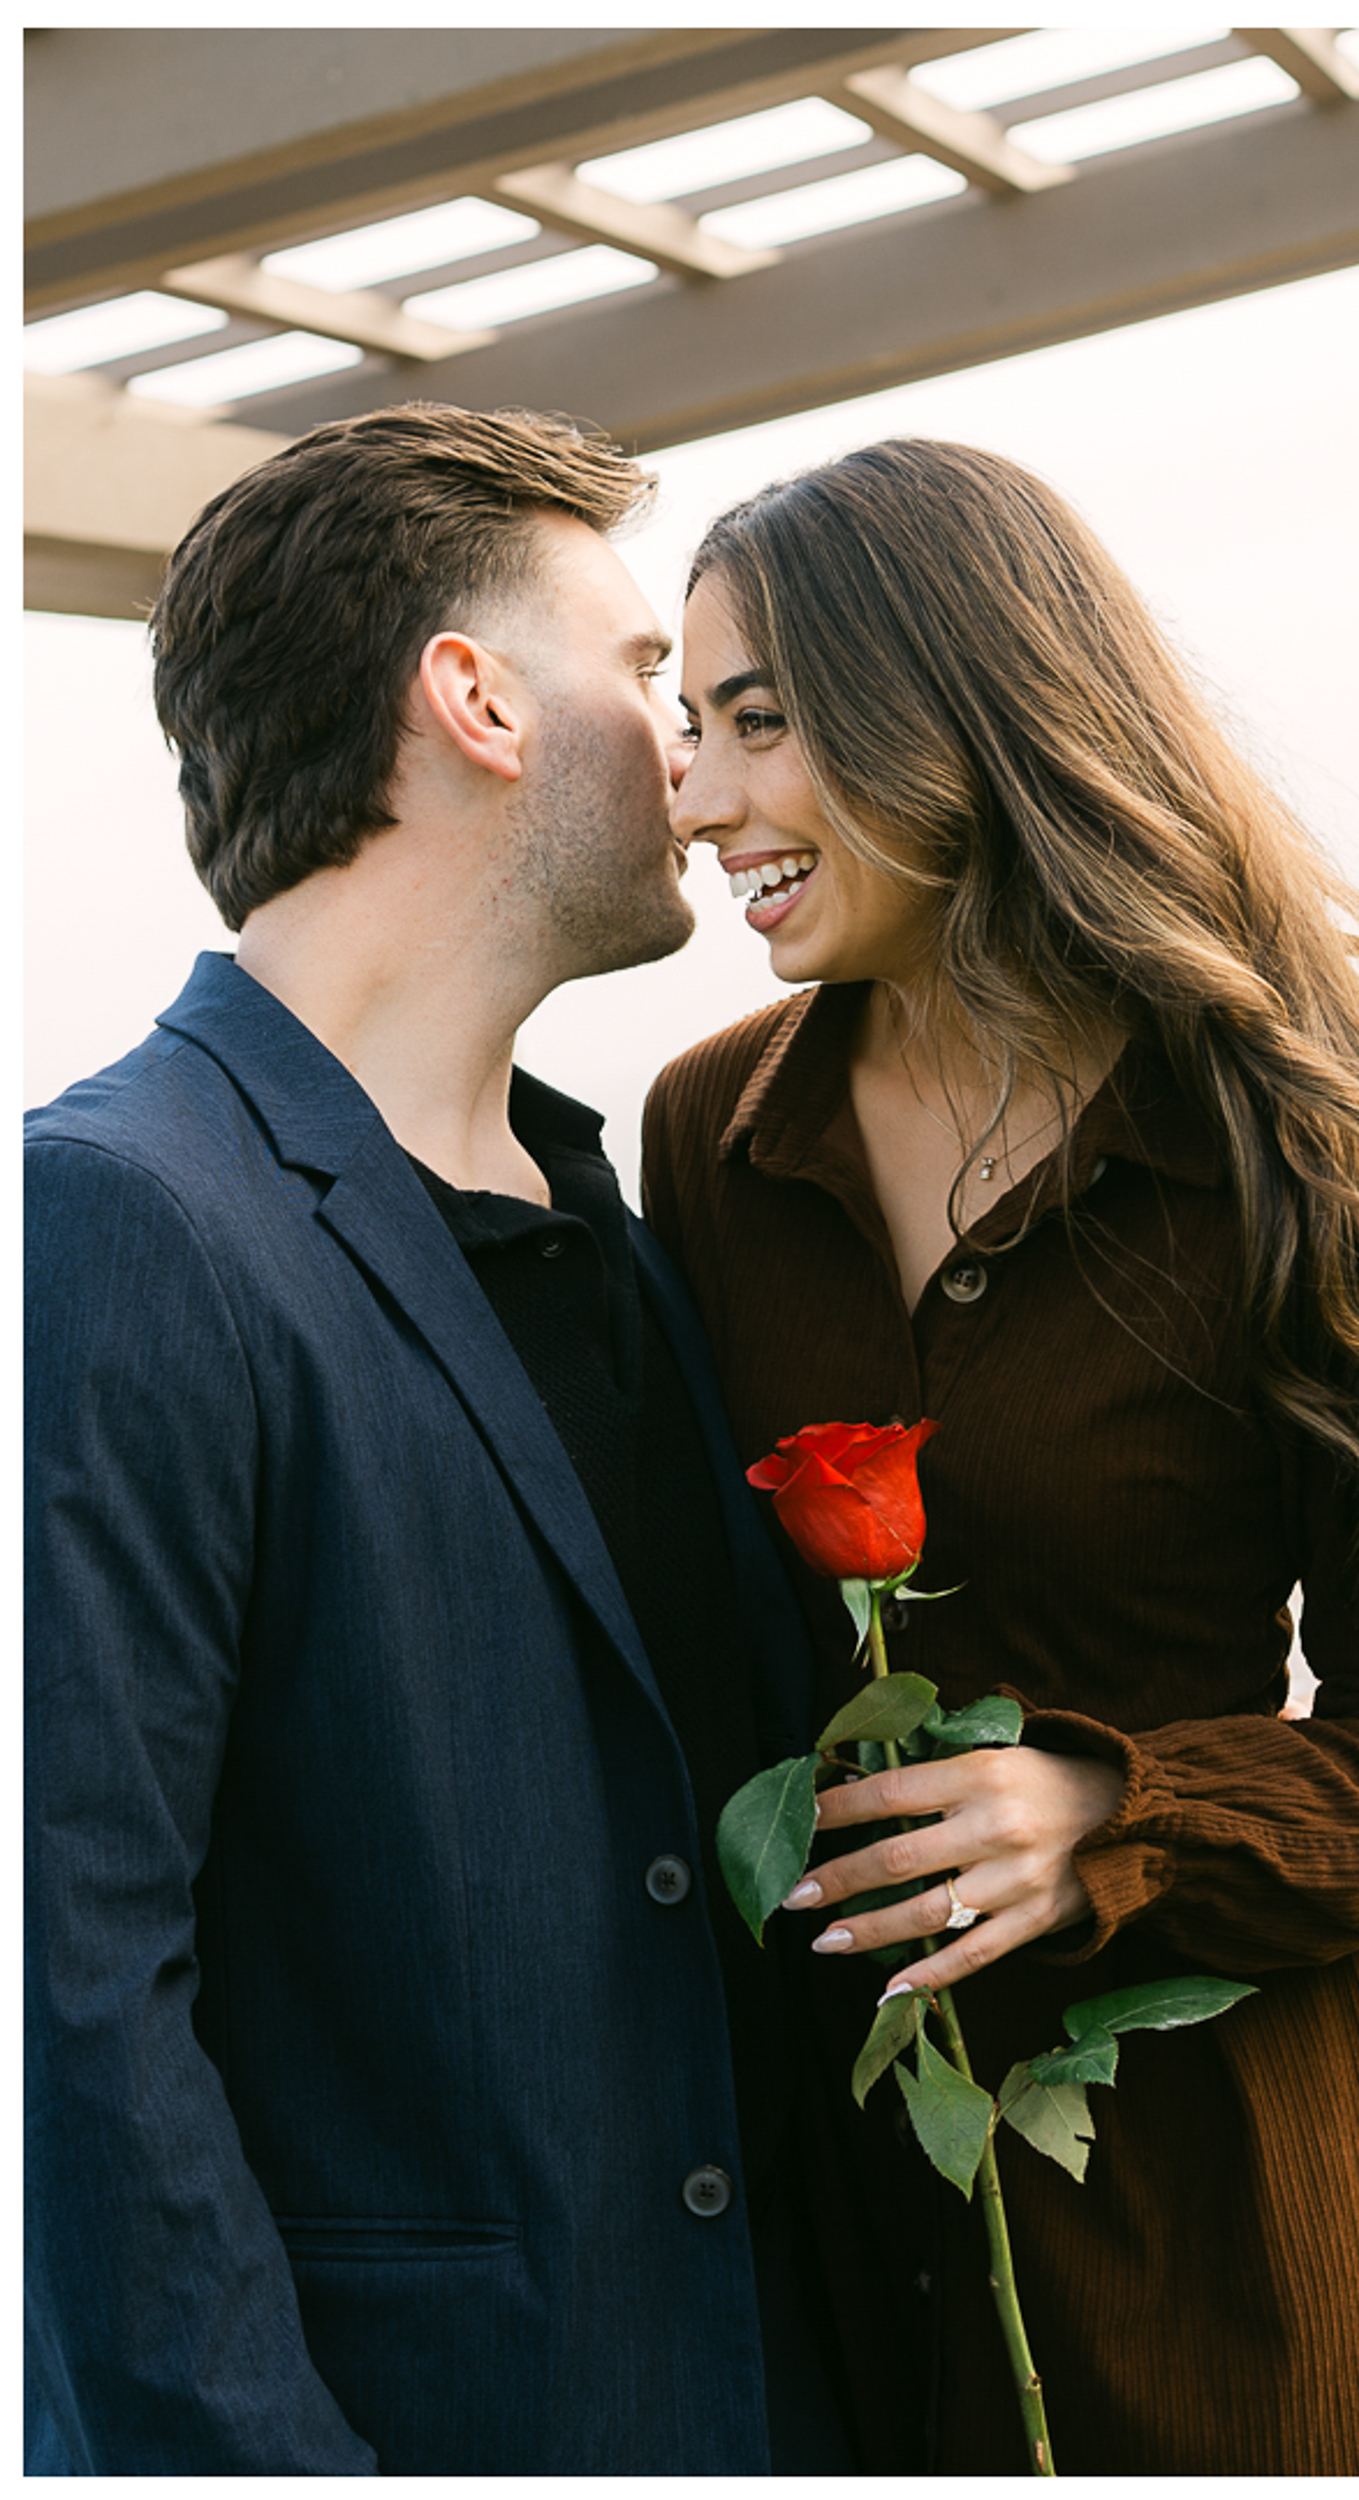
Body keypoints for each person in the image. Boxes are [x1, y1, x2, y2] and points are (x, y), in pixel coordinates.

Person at [640, 437, 1359, 2476]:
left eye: (762, 721)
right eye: (685, 725)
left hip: (1249, 2217)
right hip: (856, 2231)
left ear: (958, 704)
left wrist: (1120, 1797)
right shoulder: (703, 1143)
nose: (701, 793)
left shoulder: (1321, 1156)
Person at [23, 403, 852, 2476]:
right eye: (648, 672)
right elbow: (70, 2003)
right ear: (472, 698)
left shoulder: (617, 1222)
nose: (689, 751)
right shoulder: (109, 1215)